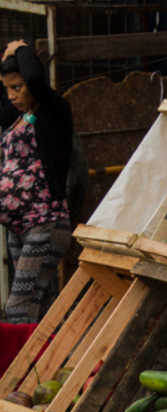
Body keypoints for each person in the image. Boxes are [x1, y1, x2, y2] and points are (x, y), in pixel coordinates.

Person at [0, 39, 75, 324]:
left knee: (18, 307)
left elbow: (32, 77)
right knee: (37, 304)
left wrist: (17, 50)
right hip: (18, 228)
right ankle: (46, 365)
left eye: (16, 87)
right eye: (7, 88)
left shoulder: (54, 112)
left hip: (45, 222)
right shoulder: (18, 116)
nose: (11, 95)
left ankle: (19, 368)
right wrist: (5, 67)